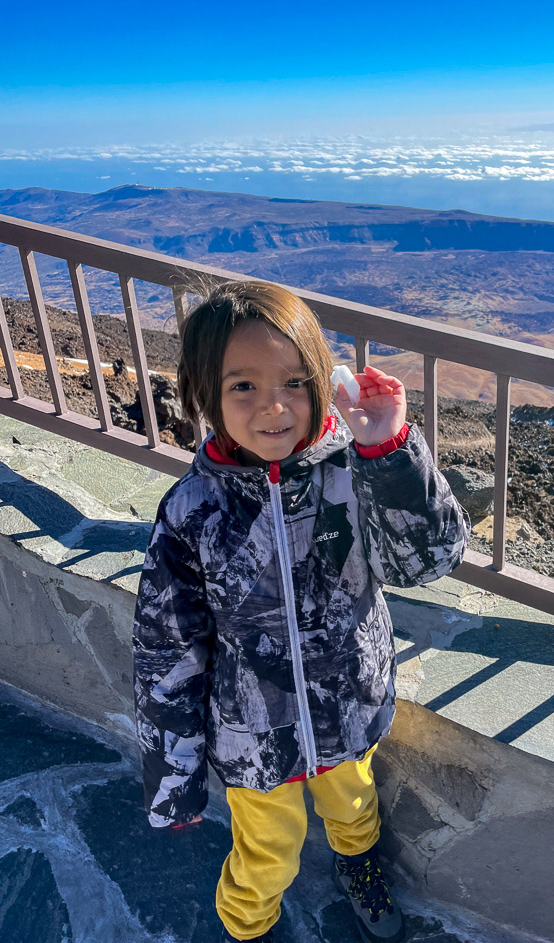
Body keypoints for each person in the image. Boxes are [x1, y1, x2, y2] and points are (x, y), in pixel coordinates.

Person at [132, 279, 471, 943]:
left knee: (353, 805)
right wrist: (172, 775)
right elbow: (166, 651)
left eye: (293, 382)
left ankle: (360, 863)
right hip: (252, 732)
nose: (274, 408)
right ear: (206, 395)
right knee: (267, 853)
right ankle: (247, 926)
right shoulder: (192, 511)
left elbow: (426, 561)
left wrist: (390, 450)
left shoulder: (354, 471)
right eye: (243, 387)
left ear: (320, 380)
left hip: (348, 705)